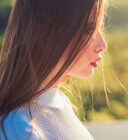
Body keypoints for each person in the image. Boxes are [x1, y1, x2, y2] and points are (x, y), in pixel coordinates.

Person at [0, 0, 107, 139]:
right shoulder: (18, 127)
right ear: (46, 32)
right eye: (88, 29)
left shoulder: (59, 101)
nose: (102, 45)